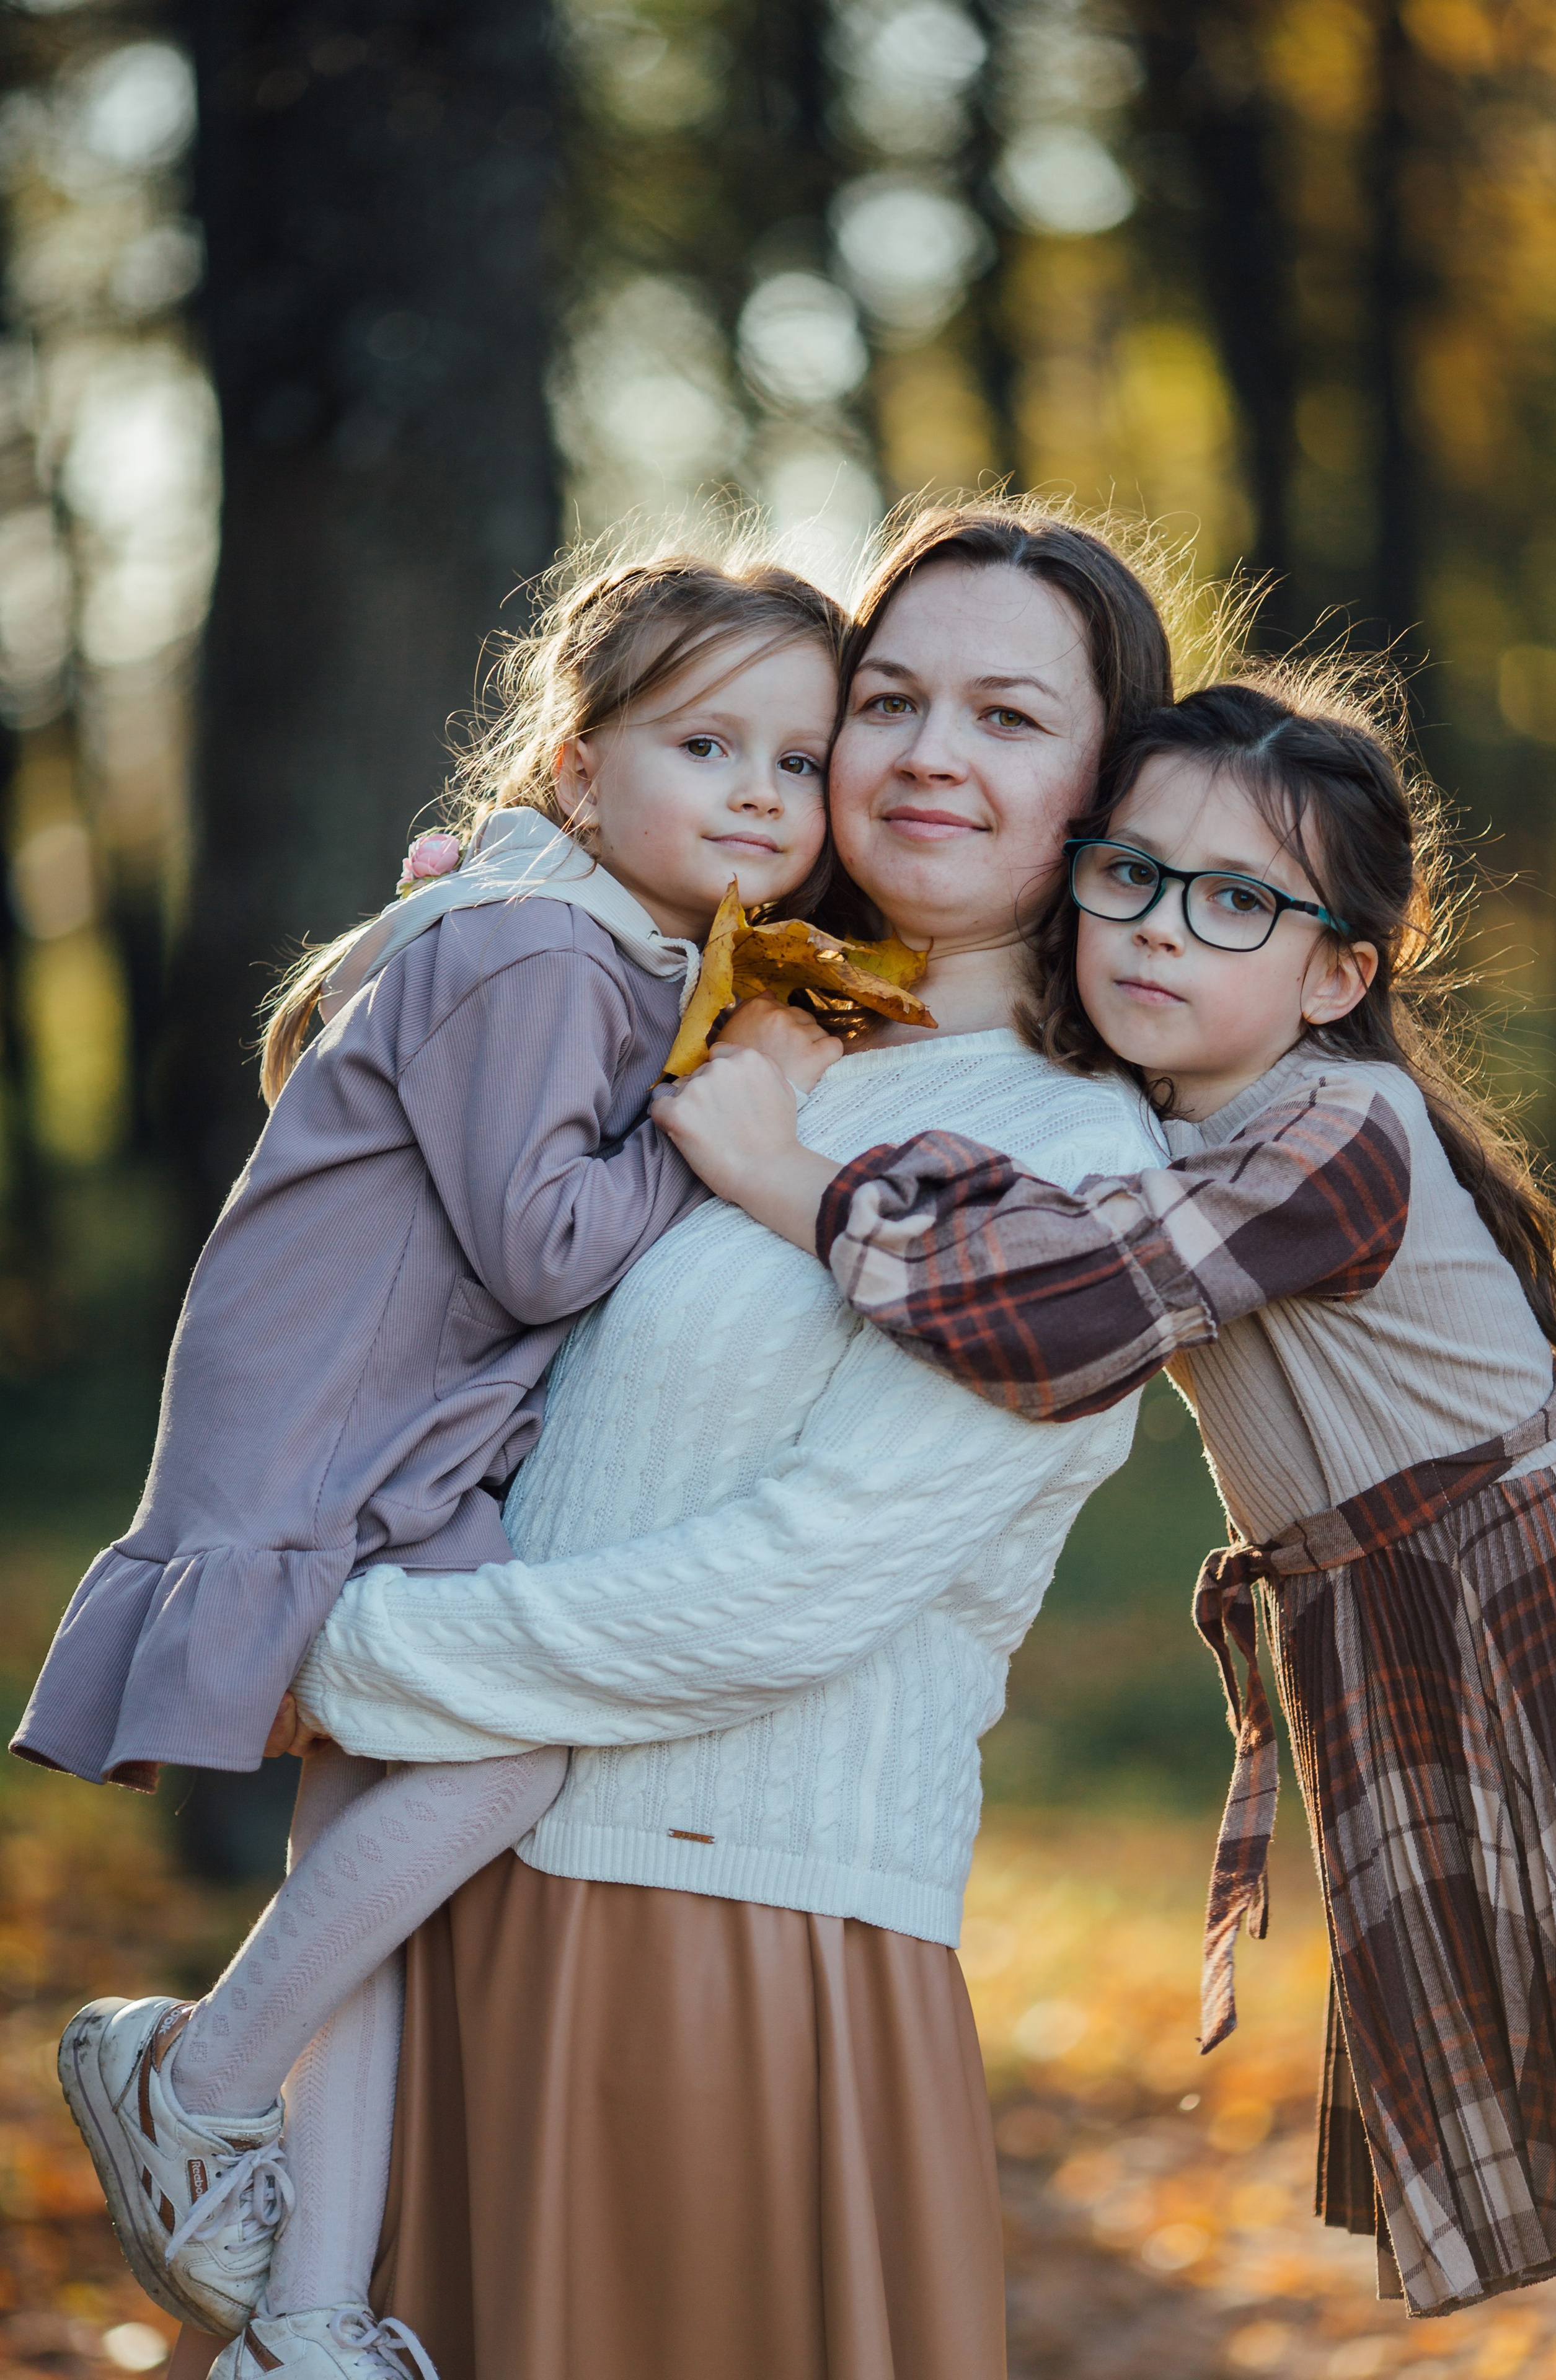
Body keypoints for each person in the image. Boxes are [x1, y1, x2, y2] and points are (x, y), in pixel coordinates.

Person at [265, 498, 1183, 2380]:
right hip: (449, 1894)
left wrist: (333, 1649)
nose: (931, 754)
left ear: (1109, 787)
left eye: (1009, 718)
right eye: (894, 698)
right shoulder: (709, 1015)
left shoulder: (1074, 1162)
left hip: (732, 1933)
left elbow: (794, 1589)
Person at [663, 666, 1556, 2341]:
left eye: (1238, 900)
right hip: (1398, 1634)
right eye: (1134, 874)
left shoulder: (1337, 1136)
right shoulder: (1178, 1113)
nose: (1163, 928)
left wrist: (785, 1177)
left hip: (1533, 1623)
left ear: (1337, 972)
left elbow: (1072, 1309)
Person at [21, 548, 849, 2378]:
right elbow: (546, 1243)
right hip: (338, 1450)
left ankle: (310, 2325)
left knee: (374, 1893)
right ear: (575, 770)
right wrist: (737, 1122)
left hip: (401, 1454)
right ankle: (197, 2068)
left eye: (798, 763)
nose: (760, 796)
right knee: (513, 1753)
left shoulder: (582, 934)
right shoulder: (538, 946)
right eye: (707, 743)